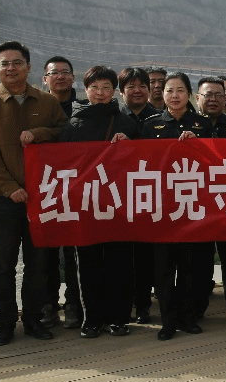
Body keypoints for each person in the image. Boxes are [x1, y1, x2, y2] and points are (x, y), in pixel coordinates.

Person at [0, 41, 67, 346]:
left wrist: (39, 134)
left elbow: (65, 133)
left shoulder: (47, 102)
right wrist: (10, 187)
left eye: (17, 62)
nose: (10, 68)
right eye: (4, 63)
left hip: (42, 196)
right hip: (4, 199)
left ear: (28, 67)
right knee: (3, 265)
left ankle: (33, 319)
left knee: (39, 263)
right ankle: (5, 323)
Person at [59, 66, 140, 339]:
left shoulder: (126, 123)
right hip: (85, 204)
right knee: (87, 264)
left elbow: (145, 161)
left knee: (120, 263)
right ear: (86, 91)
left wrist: (130, 143)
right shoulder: (73, 125)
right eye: (94, 88)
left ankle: (118, 318)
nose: (100, 93)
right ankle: (91, 319)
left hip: (119, 203)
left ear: (114, 91)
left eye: (106, 87)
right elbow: (62, 164)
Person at [142, 72, 210, 340]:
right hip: (163, 208)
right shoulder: (151, 125)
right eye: (169, 90)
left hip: (193, 206)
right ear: (161, 94)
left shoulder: (203, 125)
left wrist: (199, 145)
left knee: (190, 266)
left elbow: (218, 161)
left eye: (180, 90)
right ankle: (168, 321)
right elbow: (140, 163)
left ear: (189, 94)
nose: (174, 95)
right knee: (164, 268)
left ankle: (188, 318)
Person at [39, 55, 82, 330]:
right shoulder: (36, 107)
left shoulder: (84, 108)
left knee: (73, 254)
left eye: (65, 72)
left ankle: (74, 305)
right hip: (44, 187)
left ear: (73, 78)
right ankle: (47, 305)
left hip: (78, 189)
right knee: (45, 254)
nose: (60, 77)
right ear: (45, 79)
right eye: (54, 73)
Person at [194, 76, 226, 318]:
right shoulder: (188, 126)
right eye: (207, 95)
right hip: (197, 201)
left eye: (218, 95)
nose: (213, 100)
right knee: (199, 260)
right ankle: (196, 310)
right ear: (197, 98)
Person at [118, 66, 160, 323]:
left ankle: (143, 304)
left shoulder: (159, 119)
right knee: (124, 254)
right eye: (130, 86)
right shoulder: (113, 118)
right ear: (121, 91)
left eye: (142, 86)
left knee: (146, 254)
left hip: (152, 195)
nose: (137, 90)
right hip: (119, 197)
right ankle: (124, 305)